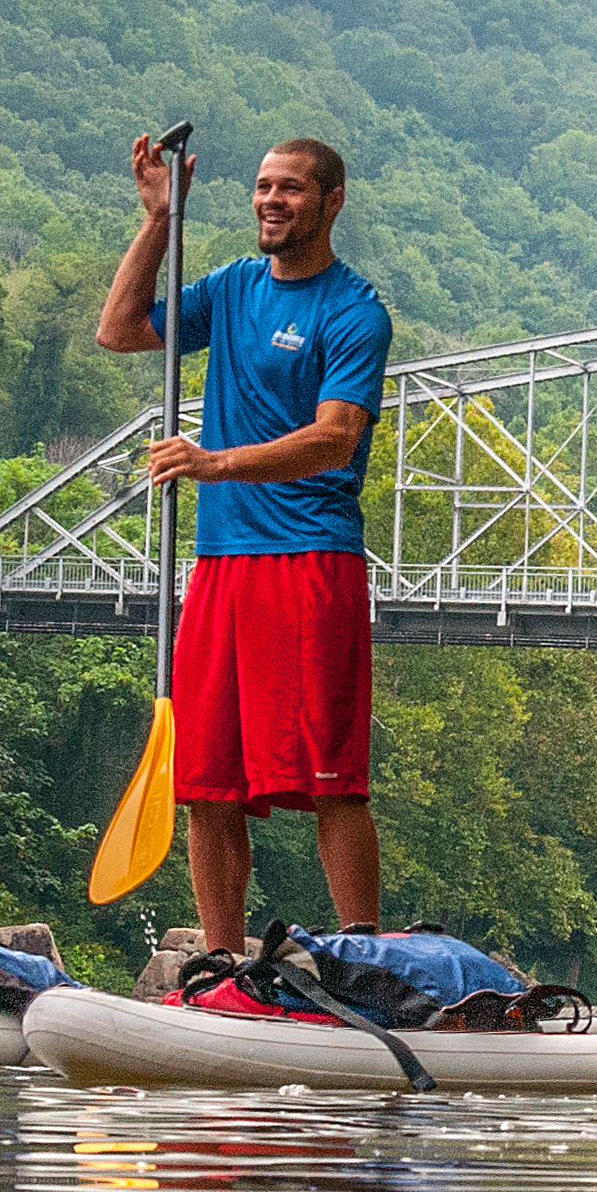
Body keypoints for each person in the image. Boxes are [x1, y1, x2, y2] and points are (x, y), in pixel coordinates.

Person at [97, 132, 395, 957]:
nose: (272, 200)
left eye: (292, 189)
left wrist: (213, 461)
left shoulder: (354, 310)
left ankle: (364, 954)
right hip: (223, 564)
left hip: (311, 559)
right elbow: (119, 331)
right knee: (207, 785)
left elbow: (335, 438)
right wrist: (160, 218)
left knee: (332, 781)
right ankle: (222, 964)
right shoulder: (229, 288)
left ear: (332, 201)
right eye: (264, 186)